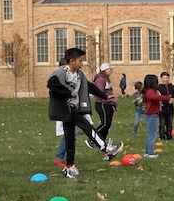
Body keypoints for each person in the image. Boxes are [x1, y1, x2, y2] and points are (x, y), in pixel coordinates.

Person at [47, 48, 122, 178]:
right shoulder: (60, 73)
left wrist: (105, 96)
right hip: (66, 110)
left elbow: (90, 87)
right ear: (72, 61)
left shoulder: (79, 75)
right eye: (80, 61)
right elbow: (51, 83)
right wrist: (67, 93)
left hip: (73, 109)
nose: (82, 64)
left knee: (70, 137)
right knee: (87, 127)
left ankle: (69, 166)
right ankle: (106, 150)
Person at [142, 74, 170, 158]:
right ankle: (150, 153)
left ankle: (147, 152)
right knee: (152, 135)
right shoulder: (150, 91)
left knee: (151, 135)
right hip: (152, 115)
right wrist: (167, 98)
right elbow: (155, 97)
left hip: (151, 114)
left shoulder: (149, 90)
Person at [92, 63, 118, 144]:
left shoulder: (107, 80)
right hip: (102, 104)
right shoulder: (100, 79)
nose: (111, 71)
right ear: (105, 70)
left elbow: (110, 92)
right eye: (110, 69)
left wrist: (114, 104)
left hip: (109, 104)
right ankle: (92, 138)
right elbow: (100, 93)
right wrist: (108, 98)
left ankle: (101, 142)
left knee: (108, 125)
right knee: (105, 124)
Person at [157, 72, 174, 140]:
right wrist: (166, 101)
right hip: (162, 109)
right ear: (161, 79)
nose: (165, 79)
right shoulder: (159, 87)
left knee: (169, 124)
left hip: (170, 109)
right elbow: (158, 98)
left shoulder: (171, 87)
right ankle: (162, 136)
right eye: (164, 78)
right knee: (162, 124)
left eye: (166, 78)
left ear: (168, 78)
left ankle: (169, 137)